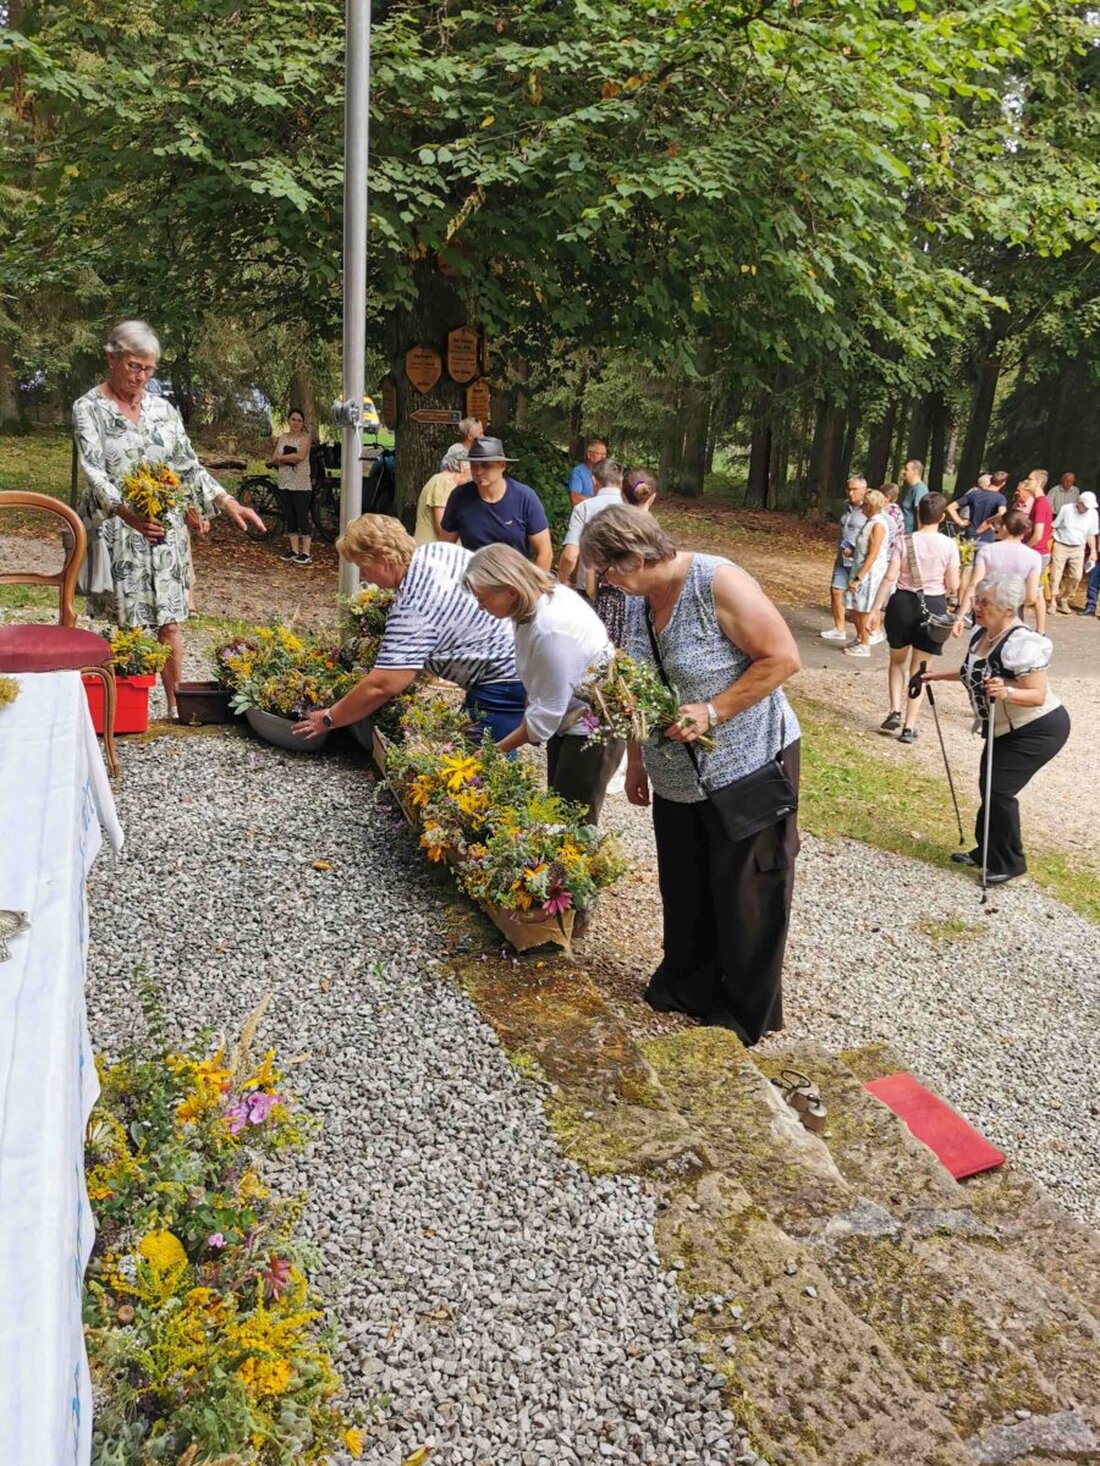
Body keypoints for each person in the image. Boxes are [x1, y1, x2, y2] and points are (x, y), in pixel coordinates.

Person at [578, 504, 801, 1043]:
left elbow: (782, 658)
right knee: (686, 883)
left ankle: (744, 1010)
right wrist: (636, 760)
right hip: (676, 777)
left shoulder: (717, 582)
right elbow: (636, 688)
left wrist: (713, 711)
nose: (604, 582)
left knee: (747, 893)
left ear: (634, 558)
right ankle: (687, 984)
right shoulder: (639, 601)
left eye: (606, 571)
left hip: (746, 765)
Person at [72, 319, 265, 718]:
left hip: (164, 530)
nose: (141, 377)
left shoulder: (163, 410)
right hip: (119, 528)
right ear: (111, 359)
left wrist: (228, 502)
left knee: (171, 623)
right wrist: (127, 514)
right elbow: (94, 470)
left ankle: (177, 707)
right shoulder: (88, 408)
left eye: (149, 369)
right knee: (127, 624)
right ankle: (123, 710)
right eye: (134, 366)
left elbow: (188, 466)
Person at [293, 516, 526, 743]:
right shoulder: (437, 551)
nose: (363, 576)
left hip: (501, 678)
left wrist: (329, 718)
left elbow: (384, 684)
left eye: (363, 567)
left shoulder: (414, 605)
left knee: (484, 757)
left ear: (384, 560)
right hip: (520, 652)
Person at [923, 573, 1069, 885]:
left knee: (999, 790)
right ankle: (986, 851)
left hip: (1038, 728)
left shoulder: (1022, 643)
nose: (976, 606)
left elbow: (1037, 694)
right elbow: (973, 671)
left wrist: (1008, 692)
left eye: (985, 602)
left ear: (1007, 608)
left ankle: (1010, 862)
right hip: (1004, 726)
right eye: (976, 599)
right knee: (988, 784)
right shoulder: (984, 634)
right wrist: (936, 676)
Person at [462, 544, 623, 825]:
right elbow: (538, 682)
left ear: (510, 590)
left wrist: (490, 753)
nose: (479, 606)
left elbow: (546, 716)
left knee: (571, 823)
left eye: (483, 599)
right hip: (569, 715)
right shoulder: (530, 604)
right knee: (556, 811)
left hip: (593, 727)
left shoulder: (551, 629)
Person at [877, 491, 960, 744]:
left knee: (897, 661)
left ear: (918, 514)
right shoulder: (949, 545)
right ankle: (909, 726)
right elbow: (953, 585)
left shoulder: (905, 541)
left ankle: (894, 709)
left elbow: (889, 577)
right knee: (920, 669)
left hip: (902, 603)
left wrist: (875, 609)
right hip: (933, 606)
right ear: (942, 517)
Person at [439, 437, 553, 567]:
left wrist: (534, 581)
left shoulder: (525, 498)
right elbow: (445, 548)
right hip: (474, 575)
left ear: (502, 465)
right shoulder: (459, 497)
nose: (478, 471)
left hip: (514, 575)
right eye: (474, 465)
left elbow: (545, 552)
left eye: (486, 465)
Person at [955, 510, 1042, 630]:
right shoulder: (1034, 556)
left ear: (1004, 527)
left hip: (987, 608)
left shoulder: (987, 550)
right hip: (1013, 611)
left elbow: (974, 585)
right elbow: (1031, 597)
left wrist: (960, 616)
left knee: (981, 640)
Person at [557, 458, 624, 587]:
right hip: (625, 587)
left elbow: (570, 556)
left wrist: (561, 580)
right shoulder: (632, 509)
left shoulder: (583, 508)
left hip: (589, 585)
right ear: (620, 482)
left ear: (593, 480)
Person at [842, 489, 890, 657]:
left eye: (864, 504)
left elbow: (873, 554)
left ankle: (865, 643)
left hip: (868, 573)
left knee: (863, 608)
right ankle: (860, 637)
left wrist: (858, 578)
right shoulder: (870, 522)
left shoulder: (878, 525)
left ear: (870, 506)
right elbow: (865, 548)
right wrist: (853, 551)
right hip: (859, 567)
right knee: (853, 607)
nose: (861, 507)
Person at [820, 475, 867, 642]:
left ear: (864, 490)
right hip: (842, 557)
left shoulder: (868, 509)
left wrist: (856, 551)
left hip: (859, 560)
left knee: (857, 600)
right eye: (848, 489)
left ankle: (864, 636)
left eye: (854, 489)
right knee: (836, 591)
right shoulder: (846, 506)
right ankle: (839, 629)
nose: (850, 493)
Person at [266, 409, 313, 565]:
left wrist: (283, 457)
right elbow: (274, 458)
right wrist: (285, 458)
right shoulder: (283, 437)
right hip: (285, 482)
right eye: (293, 419)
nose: (296, 423)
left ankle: (306, 552)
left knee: (302, 517)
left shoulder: (305, 438)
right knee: (289, 516)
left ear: (302, 423)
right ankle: (294, 550)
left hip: (300, 484)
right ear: (288, 420)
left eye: (299, 420)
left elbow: (300, 457)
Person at [1048, 491, 1099, 614]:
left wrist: (1093, 550)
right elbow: (1055, 525)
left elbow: (1091, 534)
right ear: (1079, 503)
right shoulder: (1066, 509)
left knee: (1076, 576)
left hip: (1079, 547)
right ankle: (1053, 601)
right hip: (1061, 544)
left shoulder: (1093, 513)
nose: (1086, 509)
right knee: (1056, 574)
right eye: (1085, 506)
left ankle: (1064, 598)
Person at [414, 446, 469, 545]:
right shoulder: (444, 482)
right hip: (433, 550)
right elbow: (443, 527)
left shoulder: (442, 481)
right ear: (462, 466)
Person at [1023, 469, 1055, 606]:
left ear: (1039, 482)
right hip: (1038, 552)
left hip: (1037, 553)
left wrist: (1023, 548)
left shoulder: (1041, 504)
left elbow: (1038, 534)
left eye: (1030, 479)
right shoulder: (1038, 502)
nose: (1026, 481)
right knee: (1037, 591)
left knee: (1032, 591)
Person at [946, 472, 1006, 545]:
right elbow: (1002, 513)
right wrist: (988, 522)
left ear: (991, 480)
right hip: (986, 538)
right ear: (1003, 483)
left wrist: (960, 522)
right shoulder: (1000, 498)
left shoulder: (974, 494)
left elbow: (950, 507)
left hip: (969, 536)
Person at [568, 437, 608, 506]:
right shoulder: (578, 472)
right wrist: (598, 502)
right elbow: (574, 499)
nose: (603, 457)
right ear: (589, 455)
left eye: (604, 454)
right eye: (599, 454)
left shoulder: (605, 472)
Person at [899, 459, 929, 534]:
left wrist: (920, 534)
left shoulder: (920, 489)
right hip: (903, 533)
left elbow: (920, 512)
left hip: (910, 535)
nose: (903, 472)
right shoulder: (909, 488)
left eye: (906, 469)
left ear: (915, 472)